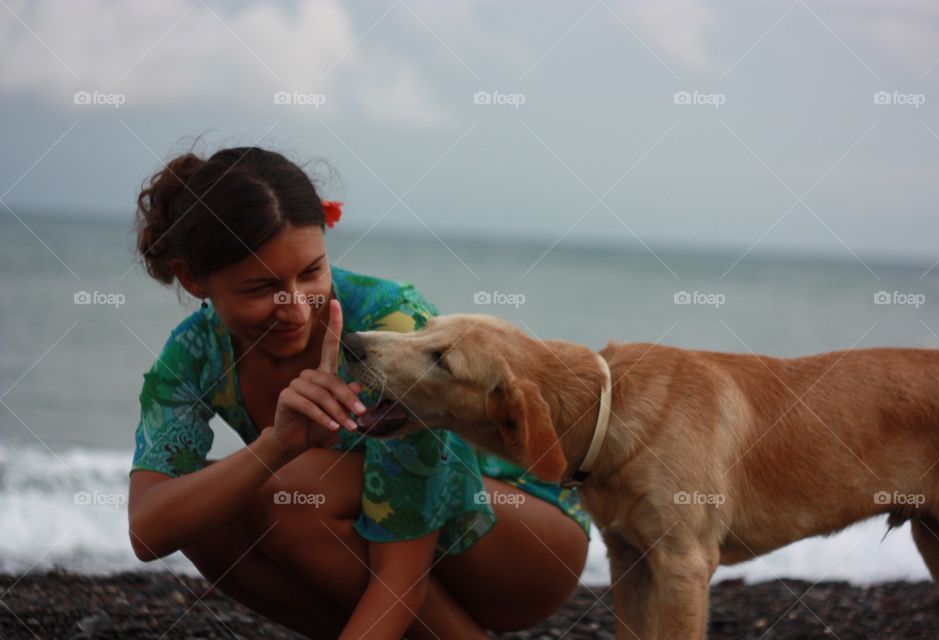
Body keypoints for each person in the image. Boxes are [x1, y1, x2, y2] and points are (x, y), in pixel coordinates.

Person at [127, 145, 591, 640]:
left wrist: (284, 464)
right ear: (194, 279)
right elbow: (151, 528)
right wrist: (274, 446)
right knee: (214, 505)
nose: (297, 310)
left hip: (523, 541)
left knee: (292, 491)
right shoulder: (194, 353)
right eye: (261, 288)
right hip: (392, 551)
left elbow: (402, 570)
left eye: (311, 273)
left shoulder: (390, 326)